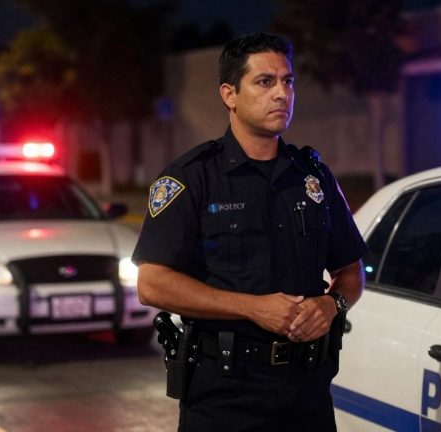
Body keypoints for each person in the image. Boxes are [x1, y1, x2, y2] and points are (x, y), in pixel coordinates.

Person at [133, 32, 366, 432]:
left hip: (307, 389)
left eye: (288, 81)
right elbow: (152, 285)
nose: (282, 93)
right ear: (230, 95)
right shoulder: (192, 178)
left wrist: (332, 307)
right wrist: (251, 307)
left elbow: (351, 273)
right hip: (225, 393)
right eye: (265, 82)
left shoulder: (312, 177)